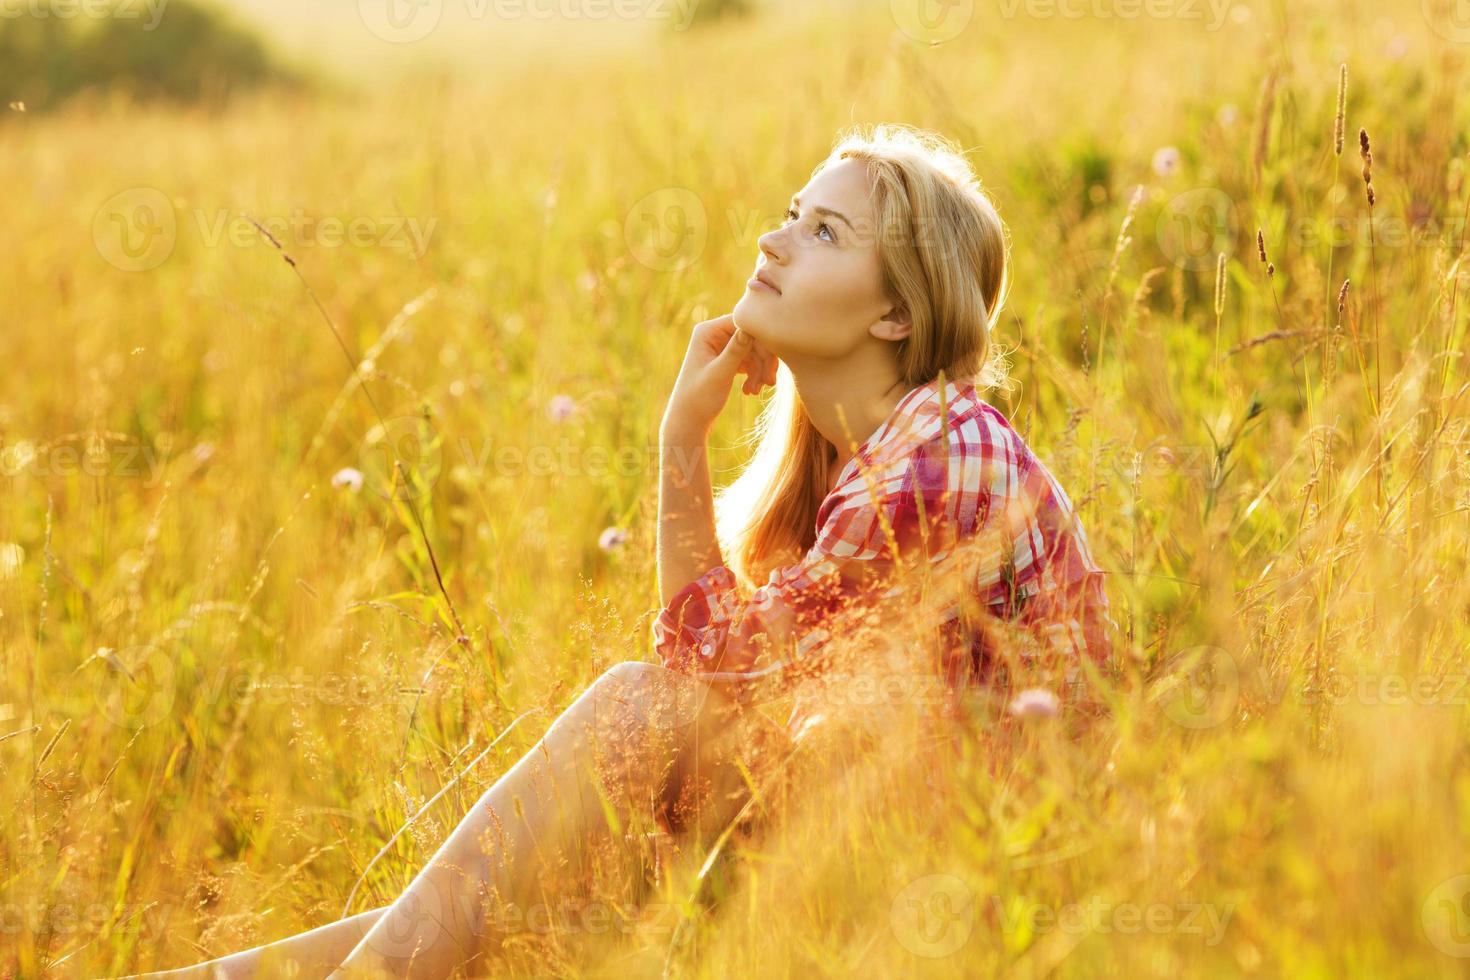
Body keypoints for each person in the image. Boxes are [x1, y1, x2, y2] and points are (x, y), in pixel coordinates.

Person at [139, 122, 1114, 978]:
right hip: (900, 850)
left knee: (633, 714)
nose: (775, 237)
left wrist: (679, 443)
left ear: (895, 312)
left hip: (987, 892)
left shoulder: (942, 457)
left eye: (825, 231)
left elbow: (705, 677)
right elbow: (735, 697)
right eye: (790, 212)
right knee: (568, 881)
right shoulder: (877, 455)